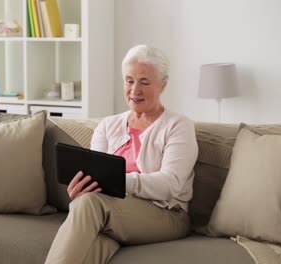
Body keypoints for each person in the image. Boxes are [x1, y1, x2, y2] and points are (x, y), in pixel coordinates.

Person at [45, 45, 199, 264]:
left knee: (89, 204)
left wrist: (118, 181)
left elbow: (171, 185)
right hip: (115, 212)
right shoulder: (108, 126)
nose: (135, 90)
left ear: (163, 85)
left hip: (166, 215)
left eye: (144, 82)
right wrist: (82, 187)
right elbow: (94, 172)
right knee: (92, 247)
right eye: (129, 80)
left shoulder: (178, 126)